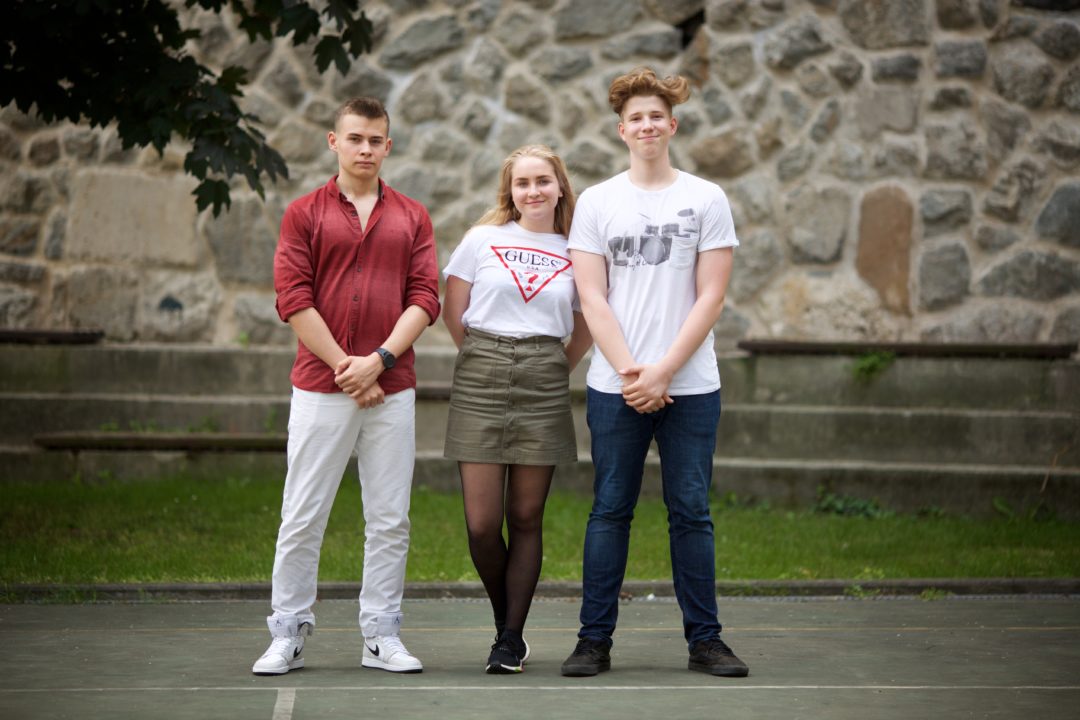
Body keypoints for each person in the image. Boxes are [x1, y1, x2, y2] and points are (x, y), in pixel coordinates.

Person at [560, 67, 749, 678]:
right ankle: (593, 641)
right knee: (610, 510)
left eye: (655, 117)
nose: (646, 126)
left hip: (690, 386)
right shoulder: (597, 202)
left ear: (673, 125)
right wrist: (629, 373)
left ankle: (706, 642)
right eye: (635, 118)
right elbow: (592, 297)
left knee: (691, 512)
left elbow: (711, 296)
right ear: (622, 130)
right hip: (615, 387)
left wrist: (663, 371)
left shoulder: (706, 198)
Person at [253, 96, 441, 676]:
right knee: (302, 514)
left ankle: (381, 635)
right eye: (355, 138)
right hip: (321, 386)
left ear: (388, 146)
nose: (365, 149)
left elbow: (425, 297)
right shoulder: (303, 213)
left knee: (390, 519)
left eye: (375, 140)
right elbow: (293, 299)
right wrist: (348, 368)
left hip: (392, 386)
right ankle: (287, 632)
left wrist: (378, 361)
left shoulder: (413, 216)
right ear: (334, 141)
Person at [442, 144, 592, 674]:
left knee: (526, 516)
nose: (533, 191)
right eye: (523, 182)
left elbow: (586, 322)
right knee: (482, 524)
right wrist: (486, 358)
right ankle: (504, 616)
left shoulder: (578, 249)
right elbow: (454, 311)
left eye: (543, 181)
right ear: (510, 190)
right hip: (481, 371)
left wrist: (552, 367)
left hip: (544, 376)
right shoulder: (482, 239)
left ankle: (509, 639)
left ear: (559, 186)